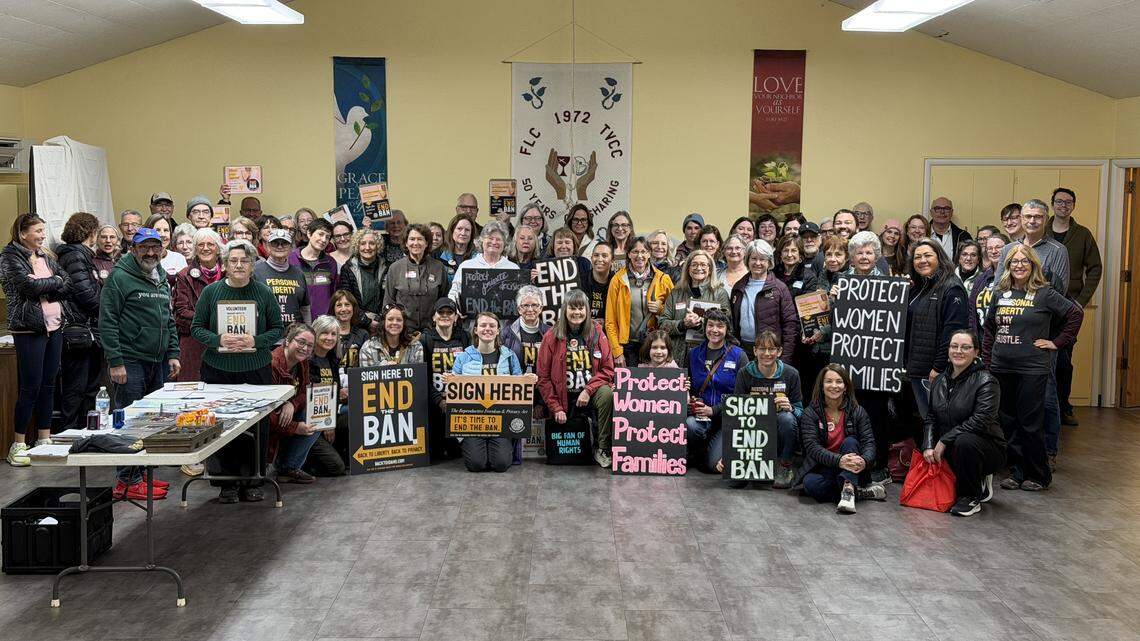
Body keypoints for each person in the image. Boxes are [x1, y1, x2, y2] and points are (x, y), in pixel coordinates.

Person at [191, 239, 284, 504]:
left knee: (257, 426)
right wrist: (218, 340)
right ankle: (225, 484)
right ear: (225, 264)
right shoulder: (211, 293)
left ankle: (253, 480)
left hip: (256, 369)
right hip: (218, 370)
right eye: (233, 261)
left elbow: (277, 329)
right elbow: (197, 328)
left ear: (253, 264)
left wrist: (256, 341)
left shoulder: (263, 293)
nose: (239, 265)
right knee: (220, 426)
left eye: (245, 260)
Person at [983, 245, 1082, 491]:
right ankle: (1016, 472)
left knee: (1030, 423)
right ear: (1007, 266)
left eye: (1024, 262)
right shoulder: (1000, 293)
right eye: (1014, 262)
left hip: (1032, 368)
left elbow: (1075, 315)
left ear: (1033, 265)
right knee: (1009, 422)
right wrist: (987, 362)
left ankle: (1038, 474)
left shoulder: (1044, 293)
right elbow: (988, 329)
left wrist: (1056, 343)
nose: (1019, 265)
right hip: (1002, 366)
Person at [99, 227, 181, 498]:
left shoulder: (160, 277)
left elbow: (168, 320)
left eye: (154, 247)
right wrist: (116, 361)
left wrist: (173, 353)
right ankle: (126, 480)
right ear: (133, 249)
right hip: (130, 360)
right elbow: (107, 321)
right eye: (144, 247)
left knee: (150, 421)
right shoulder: (119, 277)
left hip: (157, 361)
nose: (150, 252)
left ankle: (141, 476)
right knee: (128, 420)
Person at [993, 199, 1071, 464]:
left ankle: (1047, 452)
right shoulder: (1008, 250)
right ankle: (1014, 459)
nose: (1032, 221)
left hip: (1038, 340)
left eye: (1038, 217)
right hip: (1009, 341)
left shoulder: (1057, 251)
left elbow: (1059, 298)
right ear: (1021, 218)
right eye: (1028, 216)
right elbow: (998, 289)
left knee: (1046, 398)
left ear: (1045, 219)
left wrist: (1054, 341)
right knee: (1011, 407)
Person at [1, 214, 71, 466]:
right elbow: (26, 287)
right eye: (38, 231)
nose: (43, 235)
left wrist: (47, 282)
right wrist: (53, 283)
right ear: (22, 233)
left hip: (54, 327)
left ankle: (44, 438)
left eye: (44, 230)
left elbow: (67, 283)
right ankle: (18, 443)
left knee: (49, 384)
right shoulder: (9, 257)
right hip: (29, 329)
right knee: (30, 386)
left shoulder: (46, 257)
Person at [923, 329, 1006, 516]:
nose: (958, 351)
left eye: (965, 347)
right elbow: (930, 417)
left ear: (976, 352)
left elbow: (981, 420)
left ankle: (970, 497)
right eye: (954, 346)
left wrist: (944, 440)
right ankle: (971, 476)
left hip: (985, 447)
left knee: (965, 442)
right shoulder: (938, 381)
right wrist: (928, 445)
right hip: (952, 446)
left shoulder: (987, 381)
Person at [713, 330, 804, 488]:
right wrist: (729, 453)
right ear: (755, 351)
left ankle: (784, 465)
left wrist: (790, 408)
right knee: (735, 482)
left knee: (787, 418)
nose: (767, 353)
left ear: (779, 351)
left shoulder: (791, 374)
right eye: (762, 349)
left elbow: (801, 412)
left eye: (772, 349)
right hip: (752, 432)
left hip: (779, 429)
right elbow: (735, 415)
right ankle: (753, 463)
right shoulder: (745, 373)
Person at [536, 290, 616, 468]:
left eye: (581, 308)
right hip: (563, 396)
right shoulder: (551, 336)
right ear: (565, 309)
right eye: (573, 308)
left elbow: (608, 369)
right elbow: (543, 377)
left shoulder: (596, 332)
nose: (577, 312)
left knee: (607, 394)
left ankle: (602, 448)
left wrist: (588, 390)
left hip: (590, 393)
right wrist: (555, 407)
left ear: (587, 310)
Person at [798, 364, 885, 513]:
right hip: (827, 466)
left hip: (855, 469)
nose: (834, 386)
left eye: (839, 382)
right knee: (809, 483)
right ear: (821, 385)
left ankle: (849, 489)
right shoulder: (810, 413)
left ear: (846, 387)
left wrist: (864, 461)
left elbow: (869, 444)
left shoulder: (857, 411)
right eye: (829, 381)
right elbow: (812, 448)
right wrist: (840, 461)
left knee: (850, 441)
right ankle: (859, 493)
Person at [1048, 187, 1102, 427]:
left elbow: (1095, 269)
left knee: (1063, 358)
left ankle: (1064, 406)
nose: (1063, 206)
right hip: (1041, 303)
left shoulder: (1083, 235)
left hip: (1069, 305)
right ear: (1052, 204)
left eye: (1068, 202)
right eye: (1059, 202)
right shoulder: (1042, 231)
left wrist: (1080, 301)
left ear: (1073, 206)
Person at [450, 311, 530, 472]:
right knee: (476, 465)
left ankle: (496, 449)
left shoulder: (509, 356)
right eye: (483, 325)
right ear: (475, 330)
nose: (488, 329)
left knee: (501, 465)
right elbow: (455, 389)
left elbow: (518, 386)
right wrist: (449, 380)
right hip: (473, 423)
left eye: (492, 325)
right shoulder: (463, 357)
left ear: (498, 330)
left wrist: (527, 379)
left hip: (501, 422)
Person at [906, 240, 970, 422]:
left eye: (928, 255)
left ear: (940, 258)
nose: (922, 260)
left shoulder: (952, 287)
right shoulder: (920, 287)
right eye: (917, 257)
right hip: (918, 369)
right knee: (928, 421)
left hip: (936, 371)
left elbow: (953, 332)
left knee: (940, 422)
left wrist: (938, 367)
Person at [56, 213, 104, 433]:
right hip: (79, 331)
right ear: (90, 232)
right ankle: (70, 434)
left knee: (88, 387)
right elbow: (85, 293)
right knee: (76, 387)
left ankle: (83, 433)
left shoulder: (80, 255)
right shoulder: (75, 256)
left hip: (87, 332)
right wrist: (107, 309)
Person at [683, 308, 747, 473]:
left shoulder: (739, 355)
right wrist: (689, 397)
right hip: (700, 417)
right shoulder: (693, 354)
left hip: (727, 419)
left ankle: (705, 454)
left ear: (727, 329)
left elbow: (742, 397)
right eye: (710, 325)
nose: (714, 330)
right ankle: (697, 452)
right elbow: (687, 385)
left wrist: (714, 410)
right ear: (705, 327)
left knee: (713, 467)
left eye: (720, 326)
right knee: (690, 425)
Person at [606, 236, 674, 366]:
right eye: (635, 252)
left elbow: (674, 311)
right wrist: (617, 351)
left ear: (649, 254)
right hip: (627, 346)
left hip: (654, 345)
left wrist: (660, 309)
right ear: (629, 254)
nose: (639, 256)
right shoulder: (618, 280)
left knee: (653, 384)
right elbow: (610, 321)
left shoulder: (663, 279)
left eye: (643, 252)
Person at [268, 322, 322, 485]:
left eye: (310, 346)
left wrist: (291, 403)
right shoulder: (272, 365)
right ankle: (279, 464)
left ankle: (288, 468)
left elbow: (305, 392)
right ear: (287, 341)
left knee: (318, 412)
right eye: (301, 342)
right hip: (268, 422)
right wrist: (295, 427)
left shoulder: (302, 362)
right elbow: (265, 414)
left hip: (285, 414)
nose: (305, 348)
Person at [659, 249, 729, 366]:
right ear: (688, 268)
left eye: (703, 264)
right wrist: (682, 324)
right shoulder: (676, 292)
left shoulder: (719, 293)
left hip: (707, 354)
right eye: (694, 264)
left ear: (710, 269)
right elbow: (662, 324)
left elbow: (727, 325)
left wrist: (700, 323)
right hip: (677, 355)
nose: (698, 268)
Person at [729, 239, 796, 357]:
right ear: (747, 260)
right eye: (754, 258)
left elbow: (790, 325)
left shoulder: (779, 288)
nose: (758, 263)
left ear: (769, 262)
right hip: (742, 349)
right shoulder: (738, 287)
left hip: (769, 352)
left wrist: (785, 359)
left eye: (762, 259)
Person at [420, 298, 467, 461]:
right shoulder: (425, 339)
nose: (445, 316)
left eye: (450, 313)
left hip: (460, 402)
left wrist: (457, 399)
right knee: (435, 454)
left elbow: (471, 371)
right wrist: (439, 400)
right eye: (441, 312)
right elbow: (422, 377)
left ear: (455, 317)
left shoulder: (464, 337)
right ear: (434, 317)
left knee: (456, 453)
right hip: (433, 403)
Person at [383, 223, 448, 333]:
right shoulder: (395, 268)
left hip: (432, 329)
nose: (416, 243)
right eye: (412, 239)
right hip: (403, 330)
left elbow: (443, 299)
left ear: (427, 243)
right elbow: (388, 301)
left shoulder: (438, 267)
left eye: (420, 239)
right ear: (406, 243)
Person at [253, 228, 312, 333]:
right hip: (266, 337)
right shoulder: (256, 272)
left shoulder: (299, 273)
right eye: (275, 243)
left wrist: (308, 333)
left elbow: (305, 309)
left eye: (284, 243)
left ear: (290, 248)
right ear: (268, 247)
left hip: (294, 338)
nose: (280, 246)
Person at [447, 221, 518, 304]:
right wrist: (456, 309)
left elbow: (519, 297)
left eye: (498, 239)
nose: (494, 242)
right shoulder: (466, 266)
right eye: (490, 238)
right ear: (482, 240)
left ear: (505, 244)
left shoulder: (513, 268)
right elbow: (454, 293)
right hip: (471, 317)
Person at [290, 218, 339, 322]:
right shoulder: (291, 259)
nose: (324, 240)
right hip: (296, 322)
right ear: (309, 233)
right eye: (320, 234)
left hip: (322, 322)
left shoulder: (330, 263)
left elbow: (333, 294)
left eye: (327, 237)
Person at [338, 228, 386, 330]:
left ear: (378, 246)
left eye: (372, 243)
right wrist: (366, 320)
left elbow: (389, 297)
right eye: (363, 243)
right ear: (357, 246)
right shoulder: (348, 269)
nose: (367, 247)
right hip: (356, 323)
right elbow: (347, 299)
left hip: (382, 322)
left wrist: (379, 319)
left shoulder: (387, 268)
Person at [501, 286, 549, 375]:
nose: (530, 309)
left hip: (542, 386)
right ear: (519, 309)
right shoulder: (506, 333)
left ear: (541, 308)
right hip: (516, 385)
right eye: (525, 305)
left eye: (534, 305)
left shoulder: (550, 333)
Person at [359, 303, 424, 366]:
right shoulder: (368, 347)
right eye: (390, 319)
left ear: (403, 324)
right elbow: (365, 375)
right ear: (383, 322)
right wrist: (384, 369)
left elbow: (417, 375)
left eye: (399, 320)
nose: (395, 322)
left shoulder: (415, 346)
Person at [969, 235, 1008, 333]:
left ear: (1008, 249)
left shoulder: (1014, 277)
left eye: (998, 247)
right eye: (990, 248)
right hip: (982, 340)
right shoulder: (981, 279)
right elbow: (971, 311)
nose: (994, 251)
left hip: (1005, 339)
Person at [144, 213, 187, 280]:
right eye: (158, 230)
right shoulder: (140, 259)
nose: (163, 234)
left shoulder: (178, 259)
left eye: (166, 230)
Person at [580, 242, 614, 325]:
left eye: (604, 256)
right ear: (591, 258)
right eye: (596, 255)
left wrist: (606, 321)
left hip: (611, 331)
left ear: (612, 261)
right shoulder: (580, 281)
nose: (599, 259)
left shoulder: (618, 283)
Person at [437, 214, 477, 281]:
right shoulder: (440, 256)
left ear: (471, 234)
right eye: (459, 229)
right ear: (452, 231)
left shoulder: (478, 257)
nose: (463, 233)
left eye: (467, 230)